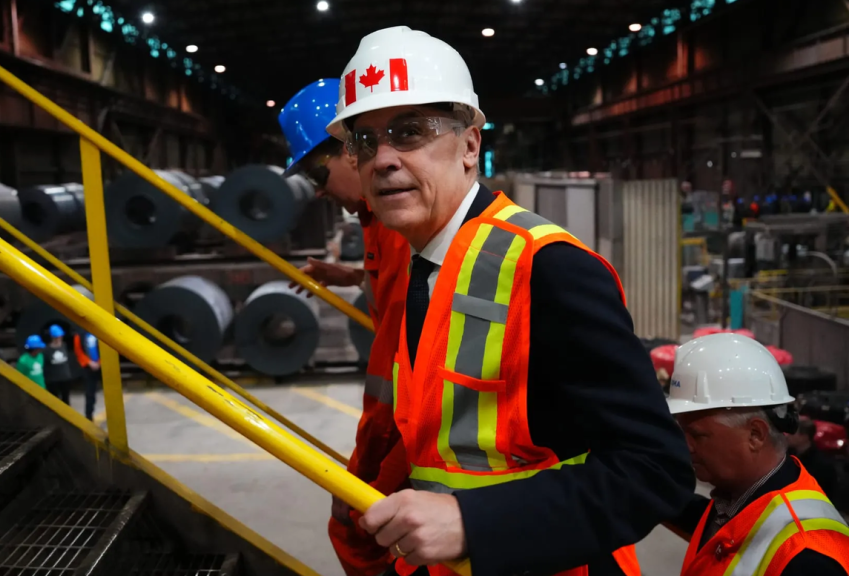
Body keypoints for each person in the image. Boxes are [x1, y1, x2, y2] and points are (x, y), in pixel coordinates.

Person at [326, 26, 695, 576]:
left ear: (471, 144)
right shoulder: (422, 263)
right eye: (364, 141)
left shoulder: (548, 268)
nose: (382, 159)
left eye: (410, 132)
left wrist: (472, 522)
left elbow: (654, 469)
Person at [281, 78, 412, 576]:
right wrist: (354, 276)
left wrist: (384, 463)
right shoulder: (374, 218)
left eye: (318, 170)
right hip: (390, 416)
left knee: (356, 529)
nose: (317, 188)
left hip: (401, 424)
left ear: (353, 150)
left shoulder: (399, 225)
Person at [667, 333, 849, 575]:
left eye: (698, 435)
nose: (686, 446)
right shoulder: (734, 500)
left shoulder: (807, 557)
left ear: (755, 434)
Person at [788, 417, 841, 505]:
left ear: (804, 437)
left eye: (793, 433)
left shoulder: (822, 466)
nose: (788, 436)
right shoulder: (788, 456)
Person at [43, 325, 76, 404]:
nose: (58, 339)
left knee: (66, 399)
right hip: (53, 380)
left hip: (65, 378)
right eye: (56, 337)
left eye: (59, 337)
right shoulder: (47, 350)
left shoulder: (64, 345)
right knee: (55, 401)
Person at [73, 331, 101, 422]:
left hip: (102, 365)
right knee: (89, 392)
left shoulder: (100, 333)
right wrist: (89, 362)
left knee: (111, 389)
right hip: (88, 367)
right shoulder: (79, 336)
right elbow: (78, 351)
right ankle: (89, 415)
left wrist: (100, 362)